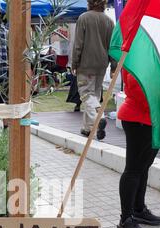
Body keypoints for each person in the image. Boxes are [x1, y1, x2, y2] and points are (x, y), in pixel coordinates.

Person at [117, 70, 160, 228]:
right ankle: (126, 219)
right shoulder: (137, 48)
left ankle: (138, 210)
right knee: (134, 169)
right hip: (138, 118)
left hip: (151, 118)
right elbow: (136, 86)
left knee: (143, 167)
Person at [72, 0, 116, 140]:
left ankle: (99, 116)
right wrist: (113, 67)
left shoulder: (84, 18)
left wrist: (74, 63)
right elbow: (112, 47)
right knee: (94, 95)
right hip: (102, 65)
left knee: (86, 94)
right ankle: (88, 128)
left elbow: (78, 44)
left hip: (86, 64)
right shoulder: (109, 21)